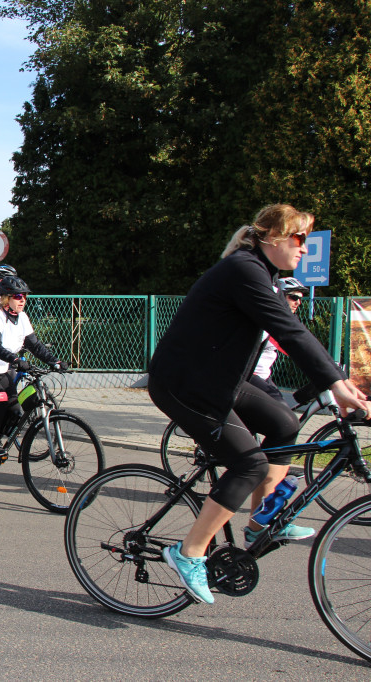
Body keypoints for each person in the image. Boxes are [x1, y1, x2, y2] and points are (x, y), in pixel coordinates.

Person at [148, 204, 369, 605]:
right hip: (184, 384)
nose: (304, 248)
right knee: (249, 464)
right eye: (299, 238)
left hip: (221, 380)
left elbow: (294, 331)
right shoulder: (243, 270)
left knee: (285, 424)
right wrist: (335, 384)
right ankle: (189, 552)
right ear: (273, 236)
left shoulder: (265, 276)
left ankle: (260, 521)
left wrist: (337, 382)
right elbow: (289, 331)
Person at [0, 275, 68, 457]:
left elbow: (35, 345)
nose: (22, 300)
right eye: (18, 296)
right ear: (6, 298)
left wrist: (54, 361)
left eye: (24, 296)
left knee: (15, 409)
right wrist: (16, 360)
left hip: (0, 370)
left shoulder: (22, 317)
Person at [249, 276, 306, 403]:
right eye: (294, 297)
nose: (298, 302)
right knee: (281, 408)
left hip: (264, 375)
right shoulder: (267, 322)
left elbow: (302, 348)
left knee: (282, 407)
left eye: (300, 299)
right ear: (279, 296)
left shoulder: (284, 322)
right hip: (249, 375)